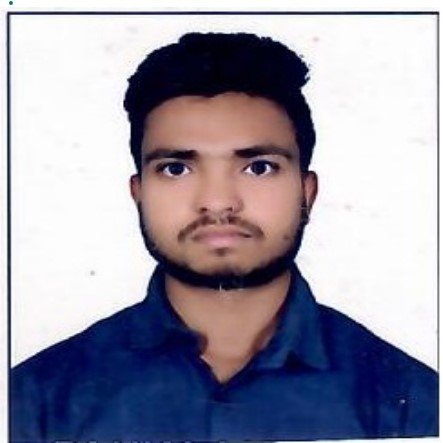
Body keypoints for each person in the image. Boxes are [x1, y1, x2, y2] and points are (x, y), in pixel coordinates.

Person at [11, 32, 438, 442]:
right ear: (138, 194)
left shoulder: (413, 403)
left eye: (259, 167)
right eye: (176, 168)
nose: (217, 202)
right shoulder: (33, 403)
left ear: (307, 193)